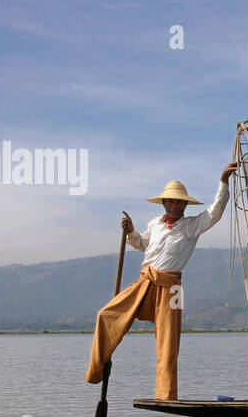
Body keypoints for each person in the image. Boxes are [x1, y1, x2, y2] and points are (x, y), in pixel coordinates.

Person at [84, 163, 237, 400]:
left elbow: (215, 211)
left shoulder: (191, 226)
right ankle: (96, 371)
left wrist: (224, 181)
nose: (175, 206)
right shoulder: (155, 225)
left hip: (172, 288)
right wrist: (131, 232)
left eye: (179, 202)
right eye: (171, 202)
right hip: (146, 280)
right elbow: (142, 244)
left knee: (168, 344)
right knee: (105, 315)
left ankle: (166, 396)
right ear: (164, 203)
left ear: (185, 205)